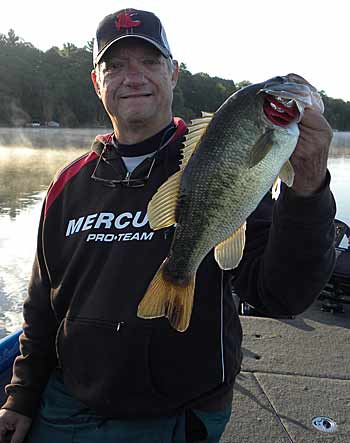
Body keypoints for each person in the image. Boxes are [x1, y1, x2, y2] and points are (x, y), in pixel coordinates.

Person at [0, 7, 336, 443]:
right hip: (65, 405)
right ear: (96, 82)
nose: (133, 77)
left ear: (174, 73)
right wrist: (21, 398)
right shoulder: (66, 185)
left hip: (174, 417)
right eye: (115, 65)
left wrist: (308, 188)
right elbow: (42, 305)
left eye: (150, 62)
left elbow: (281, 294)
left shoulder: (217, 164)